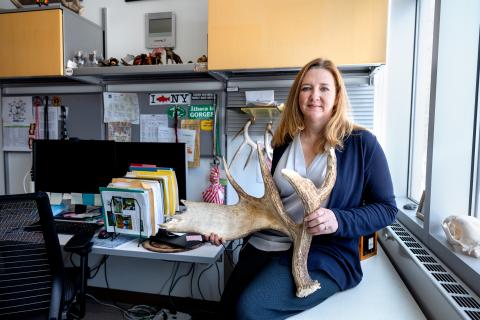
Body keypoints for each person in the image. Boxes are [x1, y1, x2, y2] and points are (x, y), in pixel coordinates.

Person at [208, 57, 397, 319]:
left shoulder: (362, 144)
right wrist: (232, 227)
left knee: (249, 309)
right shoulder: (284, 141)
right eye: (306, 88)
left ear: (337, 95)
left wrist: (337, 219)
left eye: (324, 88)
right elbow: (277, 206)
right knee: (226, 308)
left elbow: (387, 209)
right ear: (298, 95)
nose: (314, 95)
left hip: (323, 253)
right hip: (271, 242)